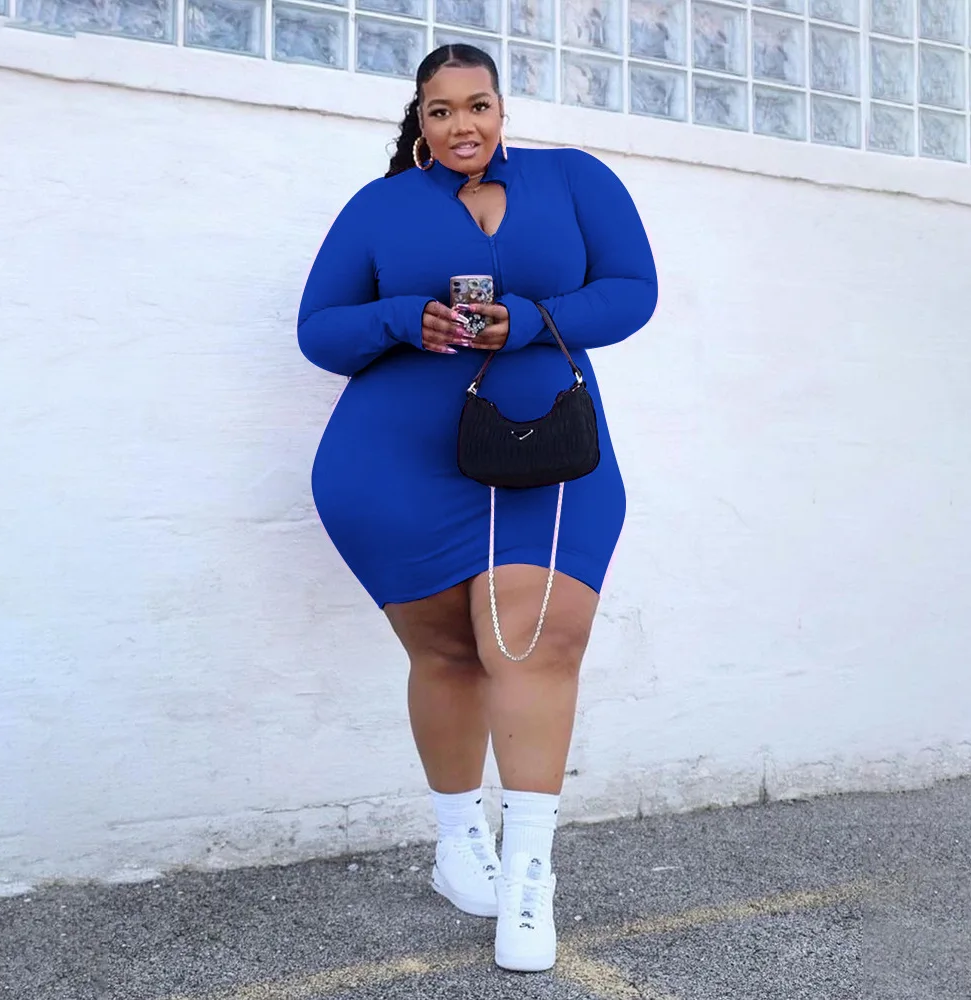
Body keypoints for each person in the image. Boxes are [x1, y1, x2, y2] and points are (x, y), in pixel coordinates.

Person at [297, 44, 658, 973]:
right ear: (419, 119)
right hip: (397, 461)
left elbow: (632, 292)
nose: (463, 124)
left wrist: (533, 320)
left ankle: (531, 876)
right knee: (449, 654)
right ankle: (459, 844)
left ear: (502, 108)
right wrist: (400, 318)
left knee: (536, 643)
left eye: (478, 105)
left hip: (549, 450)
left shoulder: (573, 180)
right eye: (442, 110)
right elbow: (318, 330)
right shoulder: (379, 206)